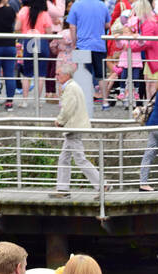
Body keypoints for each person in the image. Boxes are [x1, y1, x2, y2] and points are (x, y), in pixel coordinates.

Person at [50, 61, 106, 197]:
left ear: (66, 75)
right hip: (74, 127)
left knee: (79, 159)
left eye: (58, 74)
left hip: (73, 127)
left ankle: (101, 185)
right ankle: (63, 189)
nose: (56, 76)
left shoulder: (70, 88)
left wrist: (59, 121)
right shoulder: (72, 86)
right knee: (65, 158)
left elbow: (68, 107)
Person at [67, 0, 110, 104]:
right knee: (101, 75)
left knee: (83, 74)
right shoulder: (102, 5)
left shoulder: (76, 5)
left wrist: (73, 44)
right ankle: (105, 102)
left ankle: (86, 101)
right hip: (99, 45)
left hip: (82, 45)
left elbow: (72, 27)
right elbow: (108, 24)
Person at [16, 0, 55, 109]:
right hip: (41, 42)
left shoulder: (24, 10)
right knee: (41, 74)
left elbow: (17, 27)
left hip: (28, 41)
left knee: (27, 74)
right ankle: (37, 102)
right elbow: (49, 32)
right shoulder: (45, 13)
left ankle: (24, 101)